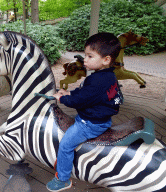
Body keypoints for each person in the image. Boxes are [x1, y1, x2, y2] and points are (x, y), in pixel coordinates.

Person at [46, 32, 123, 192]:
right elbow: (86, 94)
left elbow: (80, 100)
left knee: (66, 145)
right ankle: (64, 162)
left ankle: (63, 180)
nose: (85, 59)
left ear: (106, 59)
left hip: (90, 123)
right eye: (85, 55)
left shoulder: (98, 81)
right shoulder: (106, 76)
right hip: (97, 117)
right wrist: (69, 93)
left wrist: (63, 99)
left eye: (90, 56)